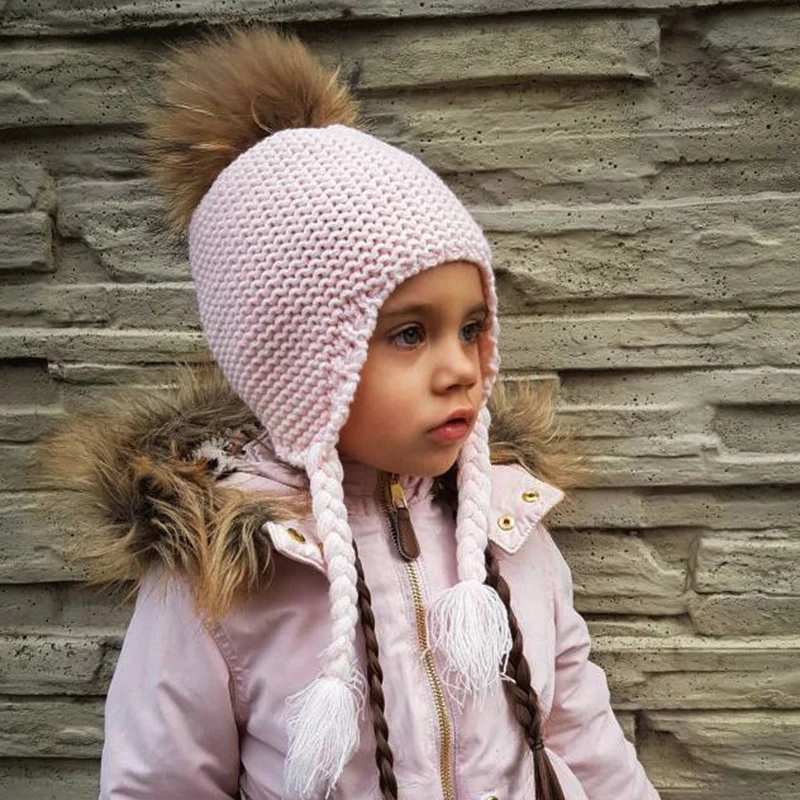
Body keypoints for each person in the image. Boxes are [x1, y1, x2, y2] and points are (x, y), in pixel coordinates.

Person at [36, 26, 661, 800]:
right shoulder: (223, 576)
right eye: (410, 334)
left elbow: (582, 735)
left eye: (471, 327)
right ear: (294, 361)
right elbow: (161, 784)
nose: (462, 368)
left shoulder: (512, 523)